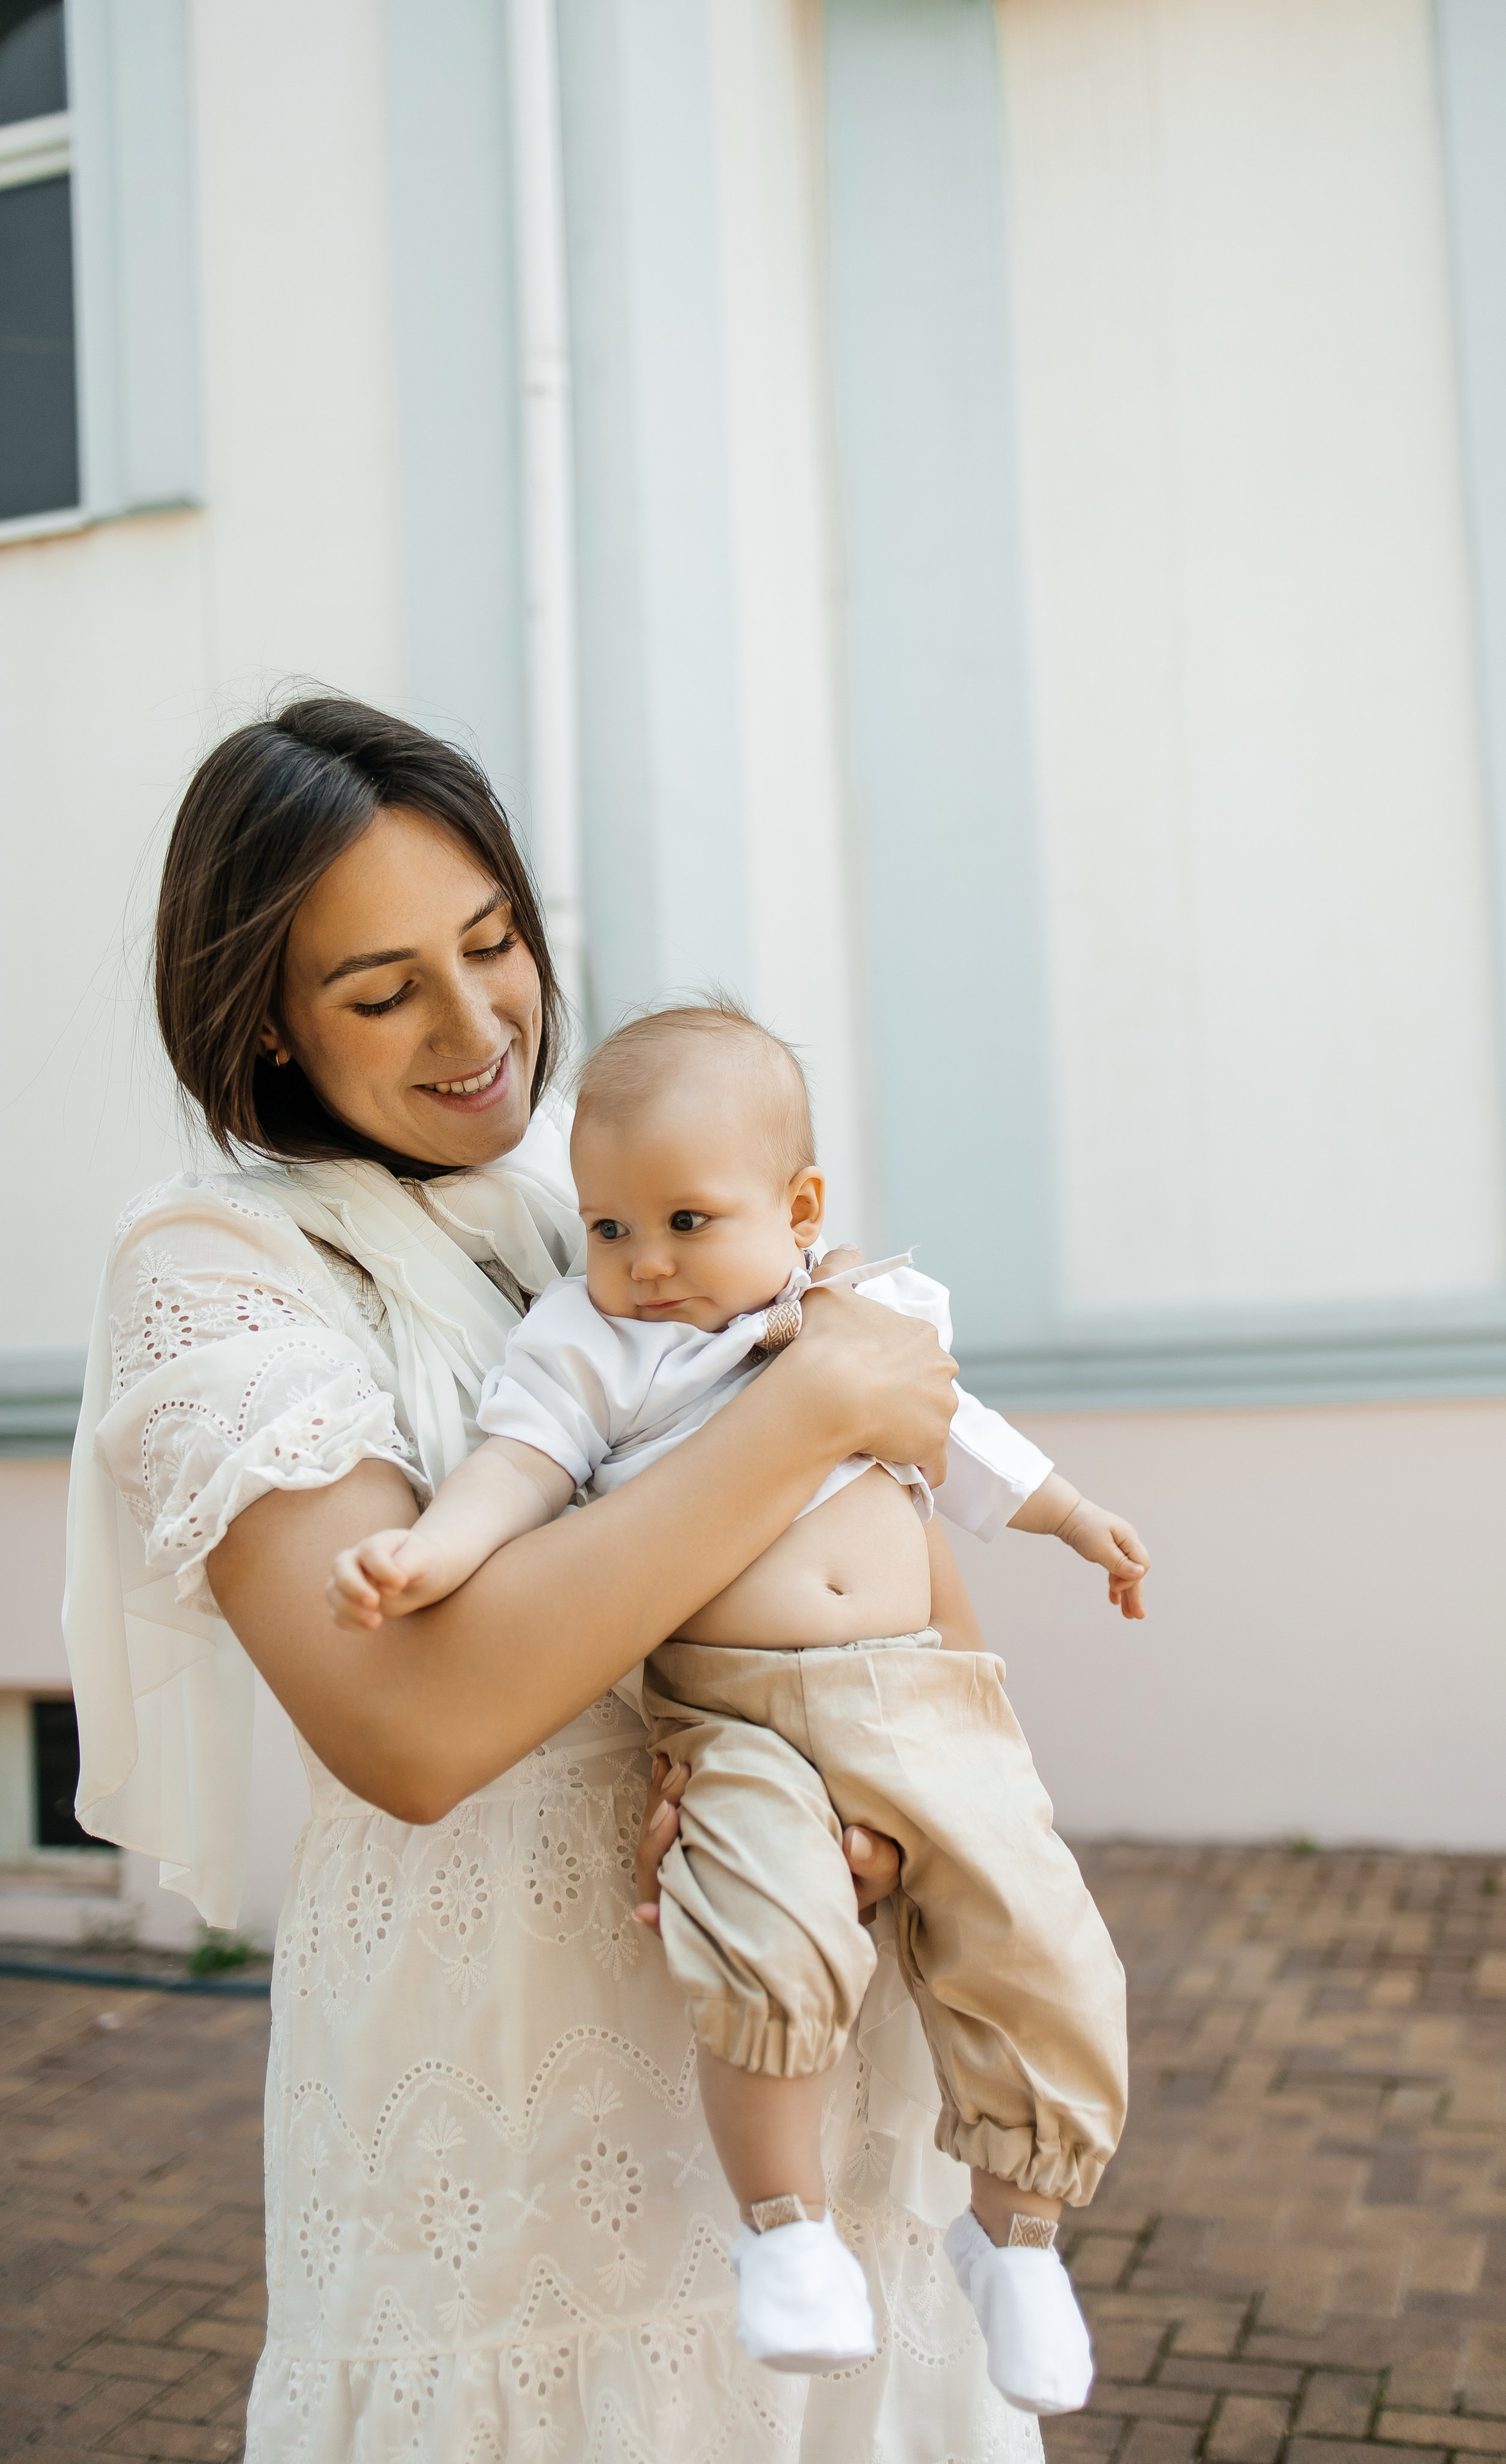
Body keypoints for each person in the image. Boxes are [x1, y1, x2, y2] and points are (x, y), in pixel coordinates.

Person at [63, 697, 1050, 2462]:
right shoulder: (221, 1268)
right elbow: (412, 1720)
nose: (477, 1029)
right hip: (503, 2093)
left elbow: (877, 1532)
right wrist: (813, 1390)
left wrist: (905, 1809)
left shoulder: (588, 1211)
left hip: (789, 2010)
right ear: (266, 1028)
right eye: (381, 993)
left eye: (494, 943)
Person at [327, 1000, 1138, 2416]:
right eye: (607, 1229)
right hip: (738, 1716)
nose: (643, 1267)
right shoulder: (589, 1343)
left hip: (920, 1698)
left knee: (1040, 1944)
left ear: (798, 1205)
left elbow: (959, 1444)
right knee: (763, 1925)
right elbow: (516, 1473)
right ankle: (789, 2230)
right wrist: (428, 1552)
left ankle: (1015, 2237)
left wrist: (1074, 1518)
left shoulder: (872, 1312)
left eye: (686, 1223)